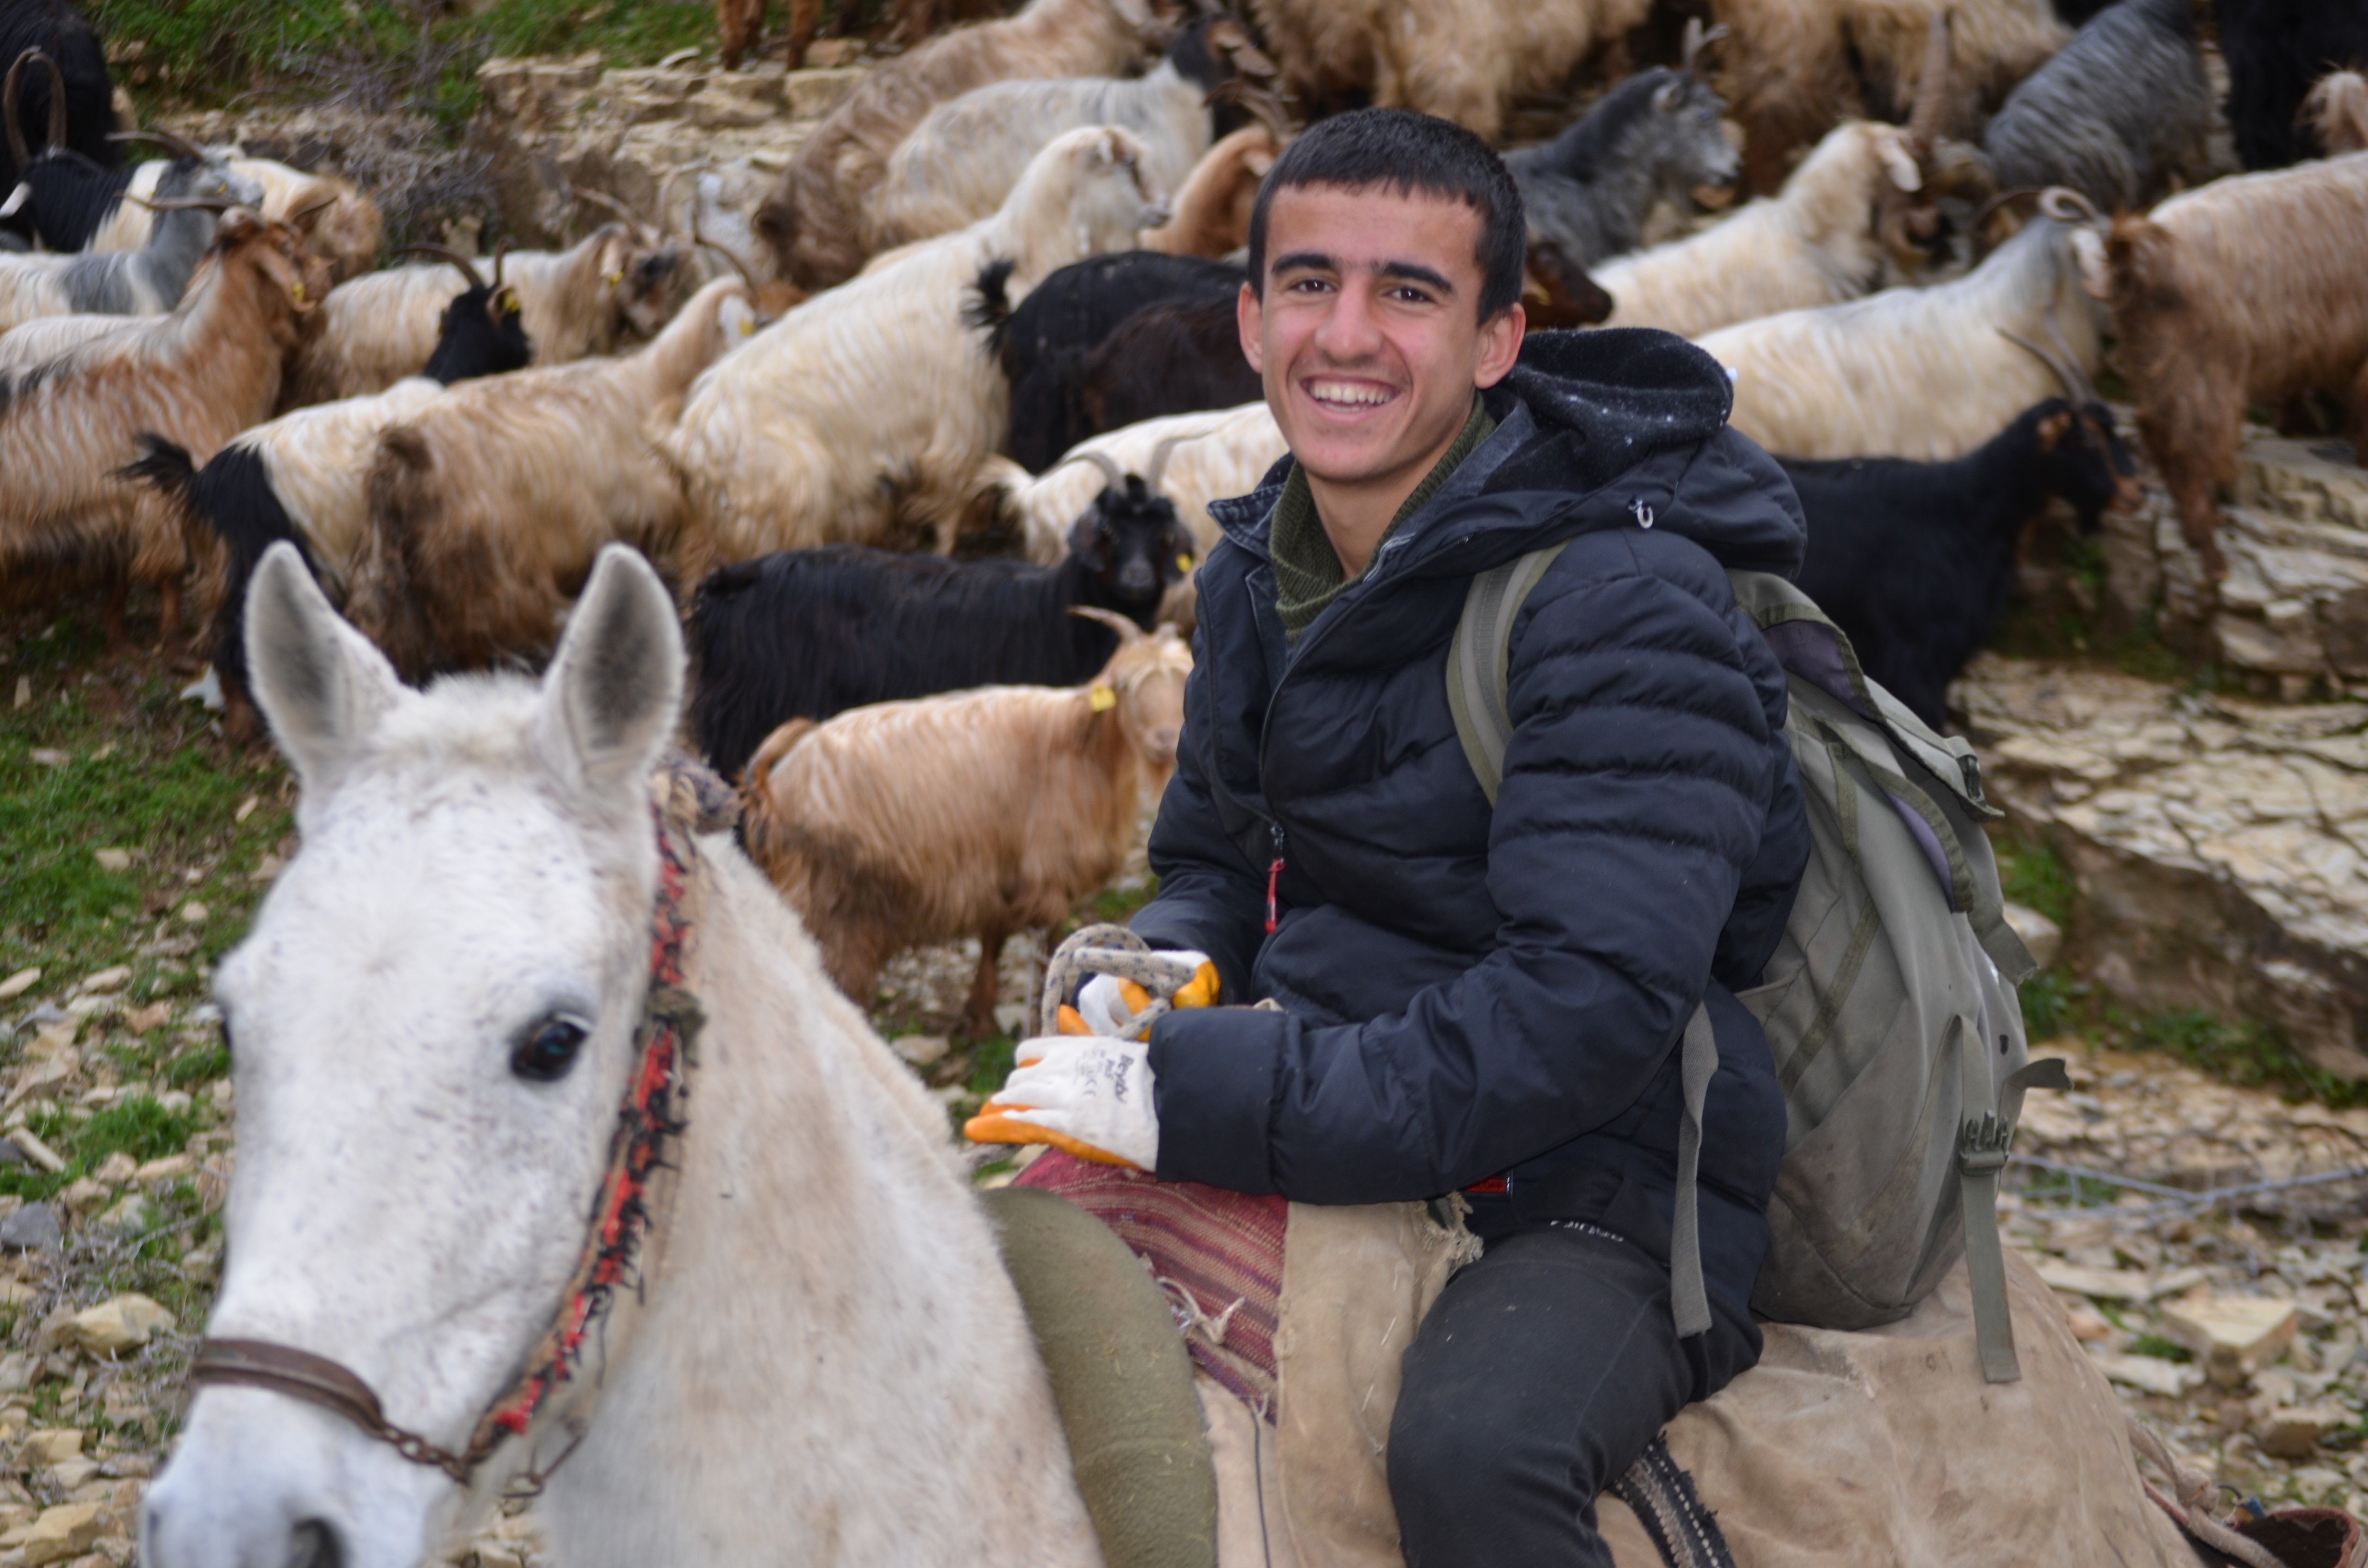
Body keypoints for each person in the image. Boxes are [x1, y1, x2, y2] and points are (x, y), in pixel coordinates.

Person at [976, 107, 1810, 1567]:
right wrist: (1168, 969)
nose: (1345, 335)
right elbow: (1218, 860)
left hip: (1594, 1172)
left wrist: (1205, 1092)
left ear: (1499, 339)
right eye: (1309, 284)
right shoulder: (1253, 572)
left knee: (1474, 1463)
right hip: (1335, 1081)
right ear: (1248, 319)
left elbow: (1587, 1008)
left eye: (1407, 293)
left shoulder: (1622, 604)